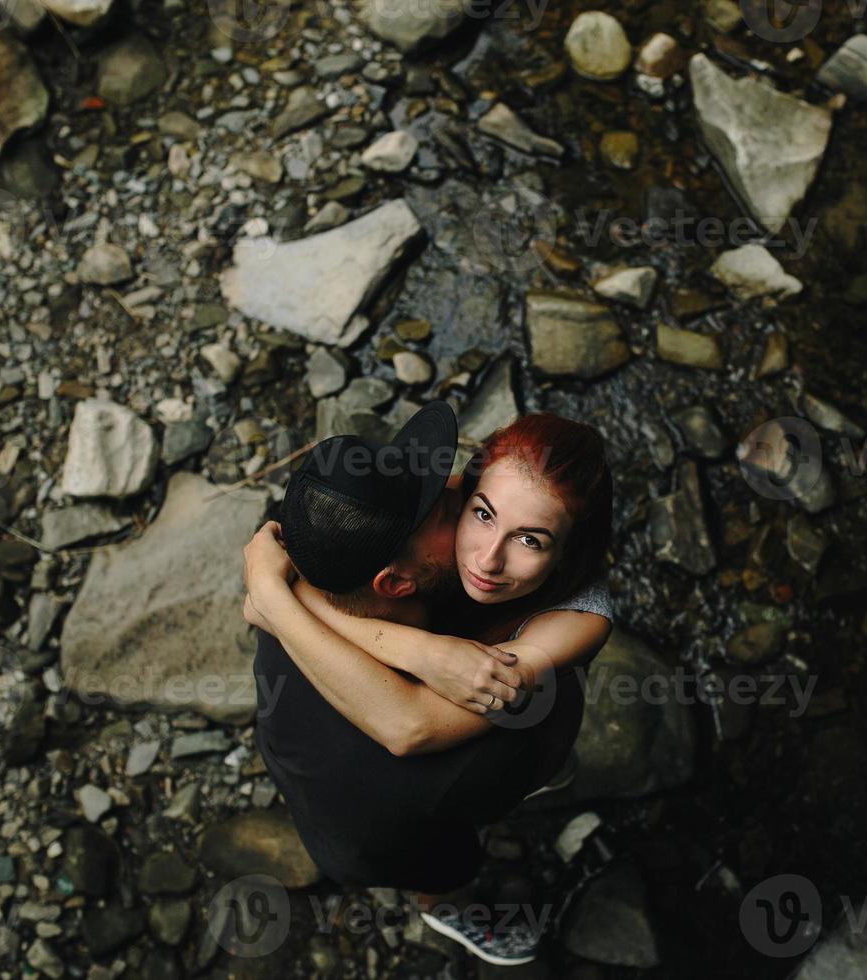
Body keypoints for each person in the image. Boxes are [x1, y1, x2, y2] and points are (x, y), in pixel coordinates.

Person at [243, 401, 614, 965]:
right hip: (368, 833)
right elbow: (409, 724)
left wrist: (276, 598)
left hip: (288, 745)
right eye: (467, 514)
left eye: (531, 539)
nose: (487, 560)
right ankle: (444, 906)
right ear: (395, 583)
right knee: (448, 863)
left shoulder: (326, 552)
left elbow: (266, 595)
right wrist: (427, 651)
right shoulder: (454, 759)